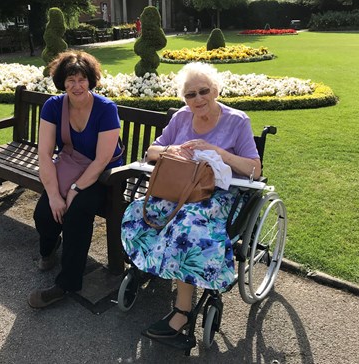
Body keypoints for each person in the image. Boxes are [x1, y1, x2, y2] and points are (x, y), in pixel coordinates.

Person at [120, 62, 262, 338]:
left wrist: (218, 152)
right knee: (140, 212)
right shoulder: (181, 119)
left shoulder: (237, 121)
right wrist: (171, 149)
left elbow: (255, 169)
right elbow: (152, 151)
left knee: (186, 226)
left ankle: (183, 312)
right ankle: (151, 265)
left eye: (203, 91)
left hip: (220, 195)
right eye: (190, 94)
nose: (197, 99)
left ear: (216, 90)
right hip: (179, 189)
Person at [28, 50, 123, 309]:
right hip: (70, 165)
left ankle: (66, 284)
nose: (77, 85)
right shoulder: (54, 106)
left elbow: (102, 160)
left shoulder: (105, 109)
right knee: (45, 213)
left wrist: (73, 191)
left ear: (91, 80)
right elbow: (45, 154)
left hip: (104, 176)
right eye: (70, 80)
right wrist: (56, 195)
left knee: (77, 212)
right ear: (62, 82)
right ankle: (49, 249)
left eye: (82, 79)